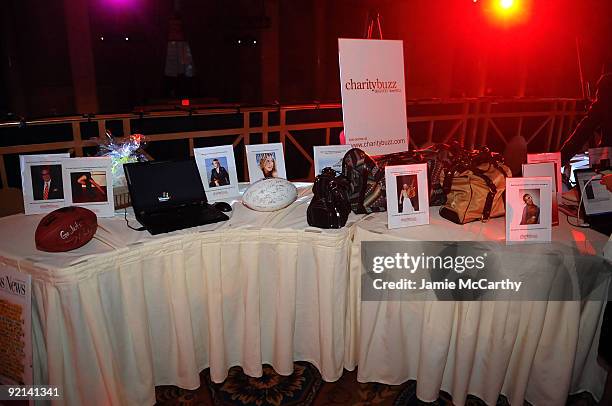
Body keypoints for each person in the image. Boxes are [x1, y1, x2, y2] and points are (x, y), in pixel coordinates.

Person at [561, 73, 612, 167]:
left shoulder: (608, 82)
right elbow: (585, 128)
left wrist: (562, 157)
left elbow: (585, 128)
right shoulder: (608, 83)